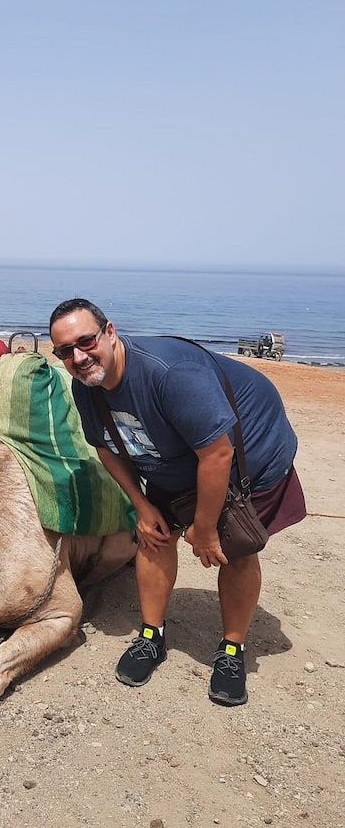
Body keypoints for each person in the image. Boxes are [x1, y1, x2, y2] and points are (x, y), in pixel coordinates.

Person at [49, 298, 306, 706]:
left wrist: (204, 530)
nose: (78, 357)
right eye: (65, 350)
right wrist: (141, 505)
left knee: (236, 548)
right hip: (174, 454)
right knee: (153, 536)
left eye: (86, 341)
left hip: (247, 454)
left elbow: (218, 455)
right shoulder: (88, 386)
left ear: (110, 333)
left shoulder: (170, 374)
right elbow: (105, 447)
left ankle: (232, 649)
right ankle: (151, 636)